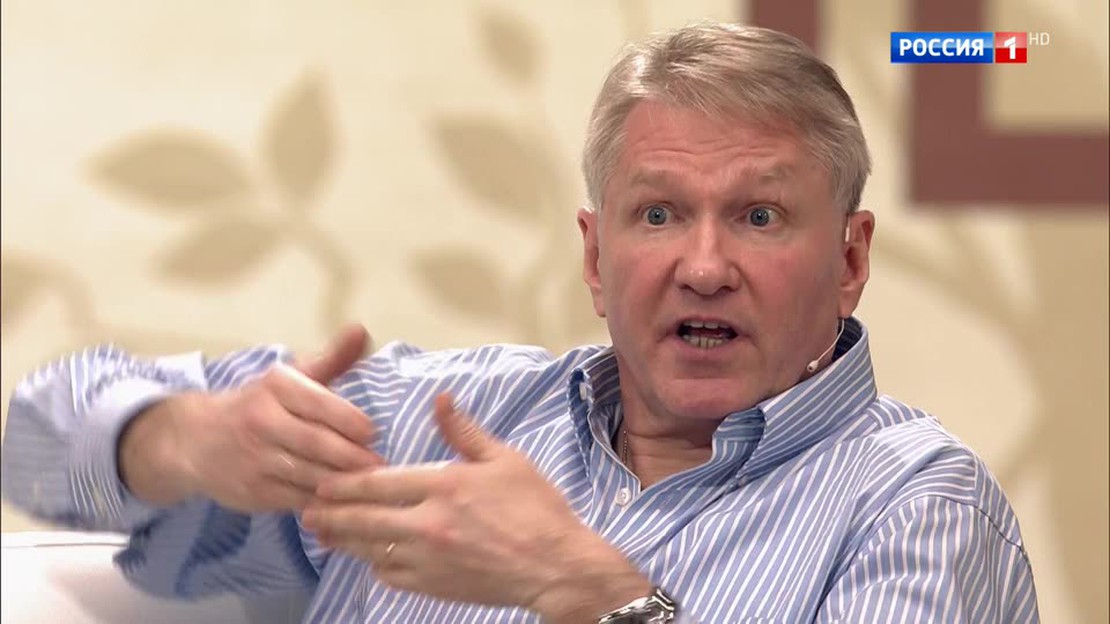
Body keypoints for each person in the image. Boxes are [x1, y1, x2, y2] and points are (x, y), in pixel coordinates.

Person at [1, 22, 1039, 623]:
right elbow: (34, 436)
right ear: (594, 258)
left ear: (850, 261)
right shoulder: (430, 423)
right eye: (658, 215)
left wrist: (587, 590)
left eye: (759, 217)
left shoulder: (915, 504)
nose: (703, 267)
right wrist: (179, 440)